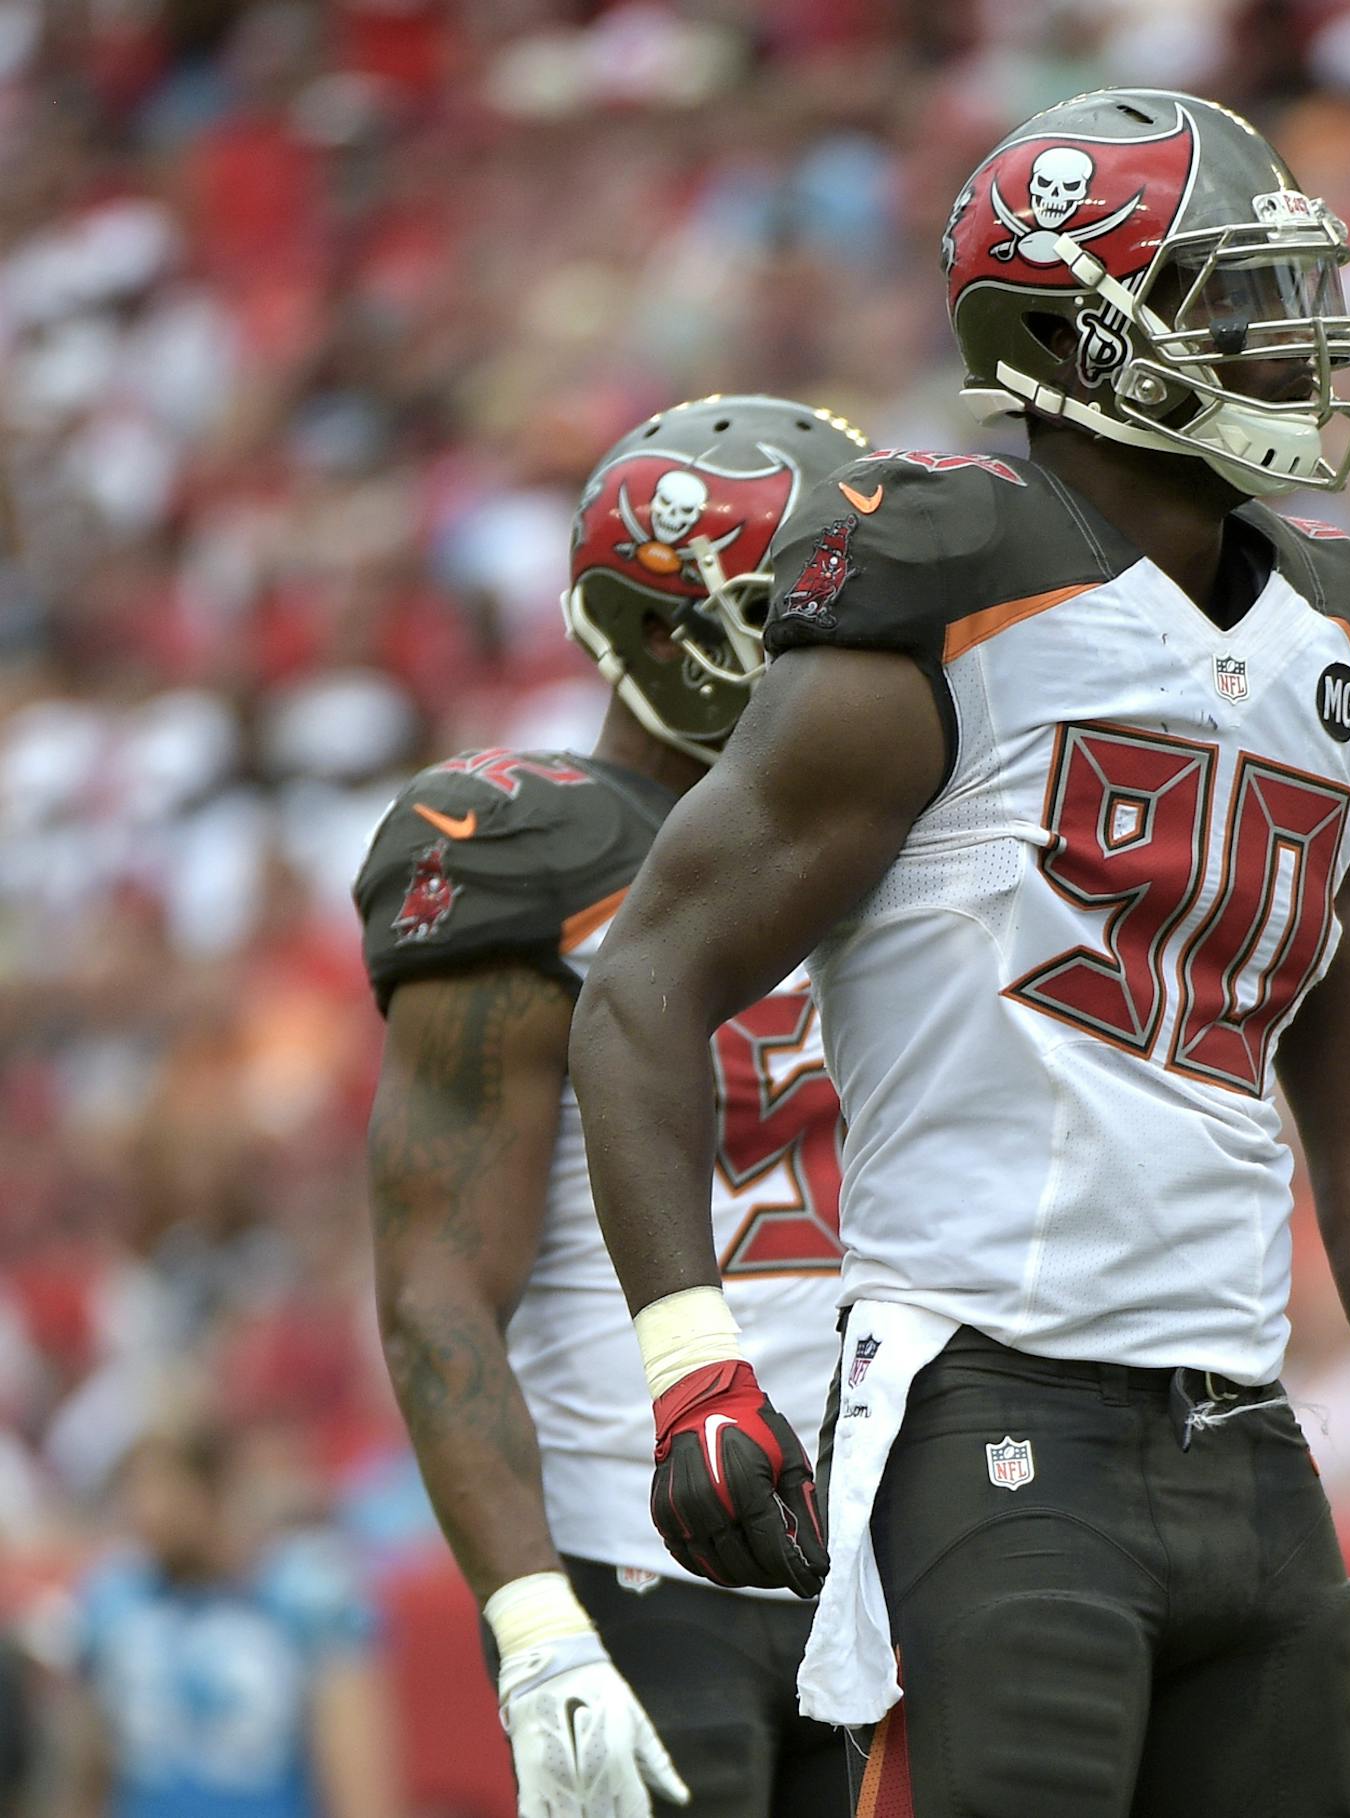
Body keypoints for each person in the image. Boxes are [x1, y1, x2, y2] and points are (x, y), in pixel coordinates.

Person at [570, 91, 1350, 1818]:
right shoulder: (951, 585)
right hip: (985, 1401)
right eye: (1229, 297)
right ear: (1071, 331)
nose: (1288, 336)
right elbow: (648, 980)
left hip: (1243, 1426)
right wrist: (695, 1363)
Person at [356, 396, 869, 1818]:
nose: (843, 642)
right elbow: (439, 1283)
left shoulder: (887, 840)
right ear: (658, 633)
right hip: (636, 1561)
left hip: (877, 1571)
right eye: (792, 608)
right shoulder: (537, 847)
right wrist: (533, 1623)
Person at [40, 1425, 395, 1818]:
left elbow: (356, 1769)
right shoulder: (114, 1600)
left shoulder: (305, 1596)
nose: (144, 1511)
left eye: (161, 1490)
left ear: (213, 1489)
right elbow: (87, 1766)